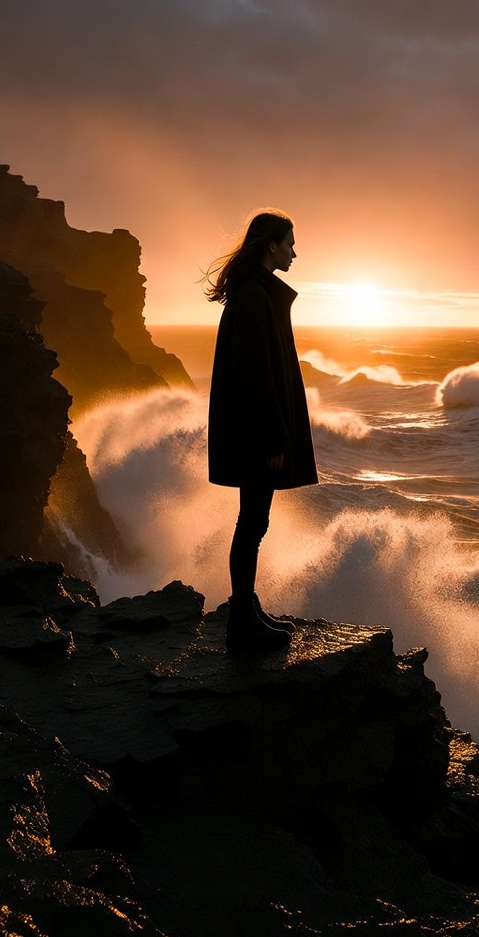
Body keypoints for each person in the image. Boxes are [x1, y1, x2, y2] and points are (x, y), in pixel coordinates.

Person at [204, 208, 318, 655]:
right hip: (255, 435)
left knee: (253, 521)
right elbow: (254, 374)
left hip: (250, 431)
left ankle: (246, 609)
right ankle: (241, 624)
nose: (295, 251)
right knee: (251, 523)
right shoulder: (253, 296)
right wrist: (273, 439)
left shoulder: (255, 292)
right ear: (271, 244)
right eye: (290, 242)